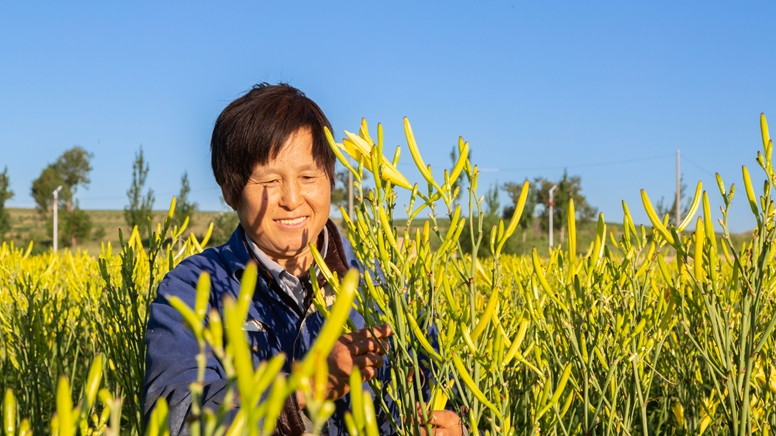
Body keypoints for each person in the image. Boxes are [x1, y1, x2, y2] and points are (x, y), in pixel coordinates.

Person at [142, 83, 463, 435]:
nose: (292, 199)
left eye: (308, 177)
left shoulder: (385, 288)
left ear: (331, 179)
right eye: (269, 181)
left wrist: (456, 428)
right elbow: (172, 419)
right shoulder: (193, 288)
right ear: (230, 191)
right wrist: (303, 388)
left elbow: (445, 394)